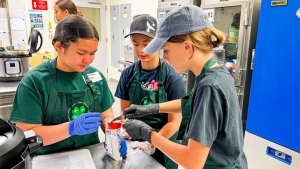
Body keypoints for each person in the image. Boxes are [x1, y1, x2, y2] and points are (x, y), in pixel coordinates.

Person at [122, 5, 248, 169]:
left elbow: (192, 161)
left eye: (166, 50)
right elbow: (189, 103)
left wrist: (148, 134)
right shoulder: (215, 74)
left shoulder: (209, 87)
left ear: (187, 47)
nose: (165, 58)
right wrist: (150, 108)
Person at [9, 15, 127, 157]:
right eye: (81, 53)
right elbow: (27, 135)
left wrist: (113, 136)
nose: (88, 60)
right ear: (59, 46)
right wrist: (71, 128)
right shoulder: (34, 82)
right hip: (49, 160)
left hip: (90, 156)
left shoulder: (96, 77)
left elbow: (106, 116)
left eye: (92, 53)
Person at [115, 15, 186, 168]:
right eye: (135, 44)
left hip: (164, 146)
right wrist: (126, 127)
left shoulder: (172, 77)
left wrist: (151, 143)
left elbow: (175, 122)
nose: (141, 50)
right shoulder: (127, 74)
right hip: (135, 145)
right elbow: (124, 111)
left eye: (147, 43)